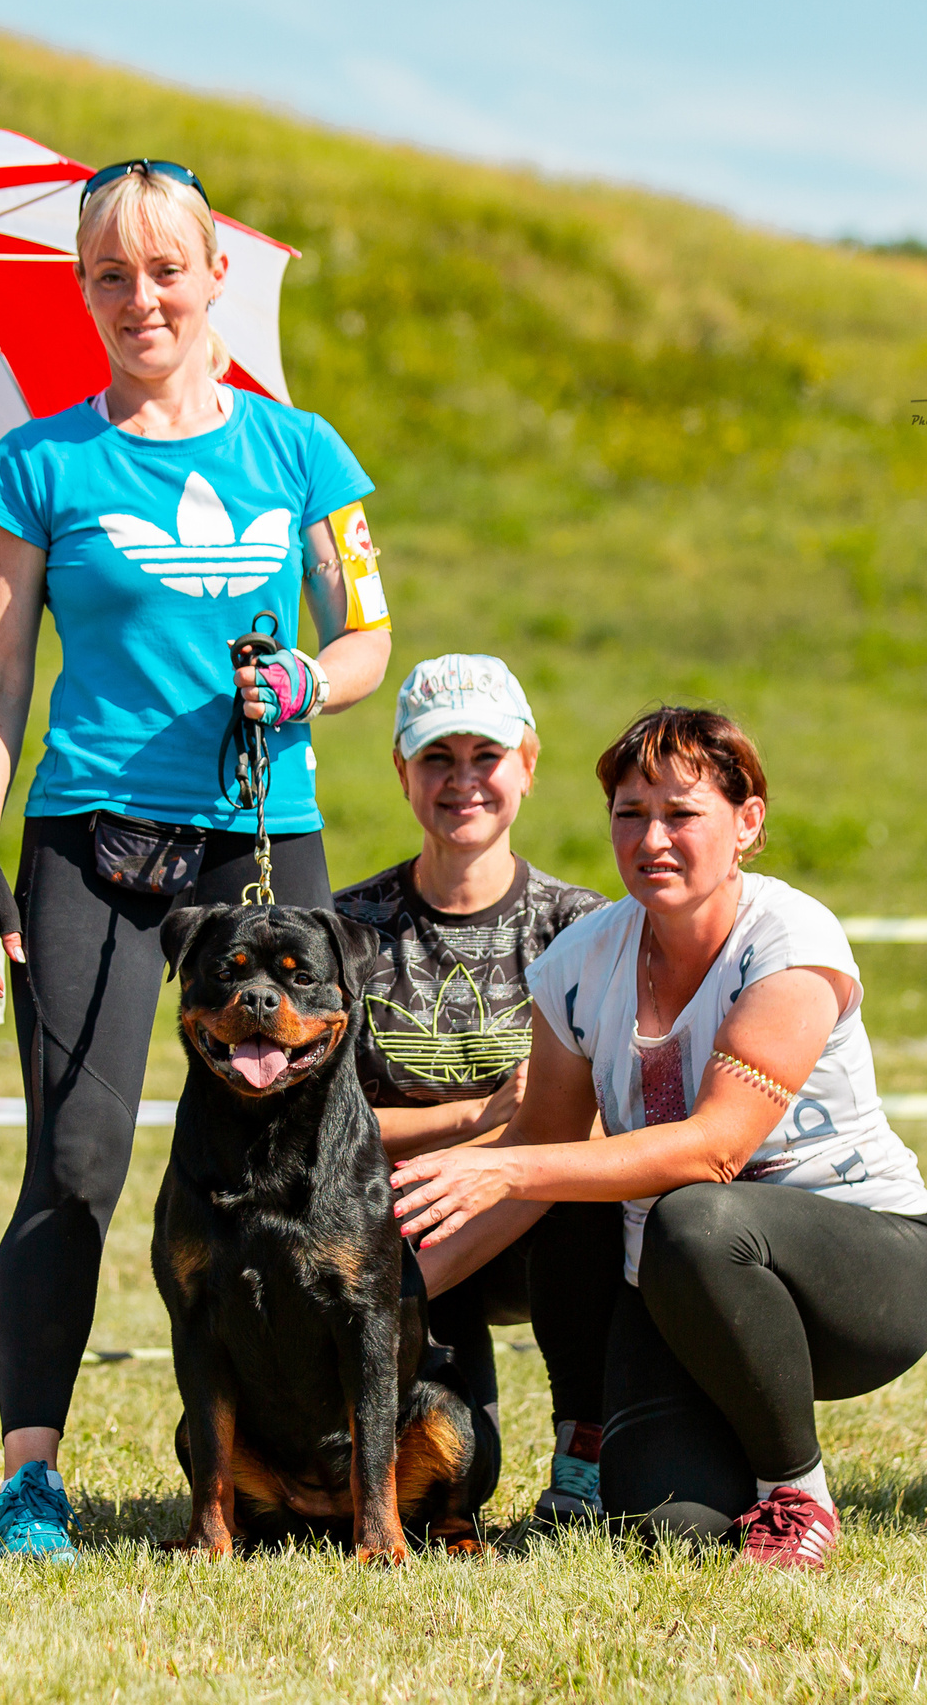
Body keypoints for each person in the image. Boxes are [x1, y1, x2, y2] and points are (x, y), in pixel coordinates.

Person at [0, 159, 394, 1558]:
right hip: (93, 842)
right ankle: (33, 1475)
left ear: (216, 280)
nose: (140, 297)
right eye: (109, 275)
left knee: (324, 1173)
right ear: (84, 291)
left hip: (261, 838)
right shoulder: (35, 462)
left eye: (164, 269)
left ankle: (338, 1462)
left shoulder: (304, 449)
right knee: (72, 1168)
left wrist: (312, 682)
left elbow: (372, 635)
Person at [388, 707, 927, 1569]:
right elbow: (541, 1163)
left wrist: (507, 1166)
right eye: (630, 813)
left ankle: (795, 1493)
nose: (653, 838)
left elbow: (716, 1149)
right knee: (666, 1525)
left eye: (682, 814)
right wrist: (385, 1292)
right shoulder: (577, 962)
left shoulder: (792, 939)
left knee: (694, 1214)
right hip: (689, 1287)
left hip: (870, 1274)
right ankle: (589, 1460)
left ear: (747, 823)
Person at [331, 655, 625, 1530]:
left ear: (529, 766)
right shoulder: (347, 929)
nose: (463, 782)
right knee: (461, 1479)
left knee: (583, 1189)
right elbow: (319, 1131)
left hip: (544, 1228)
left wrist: (506, 1155)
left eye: (486, 756)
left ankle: (585, 1455)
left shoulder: (584, 925)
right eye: (437, 758)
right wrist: (477, 1118)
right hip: (405, 1229)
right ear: (401, 771)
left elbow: (610, 1122)